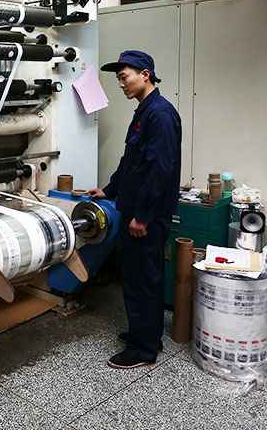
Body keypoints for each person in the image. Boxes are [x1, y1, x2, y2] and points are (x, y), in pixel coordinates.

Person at [87, 50, 181, 369]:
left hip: (146, 217)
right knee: (138, 276)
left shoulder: (161, 115)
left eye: (124, 76)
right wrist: (109, 190)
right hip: (135, 210)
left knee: (144, 279)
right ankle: (146, 334)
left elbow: (159, 170)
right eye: (118, 79)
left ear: (145, 74)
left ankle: (143, 350)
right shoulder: (144, 111)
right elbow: (131, 163)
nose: (121, 83)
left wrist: (142, 216)